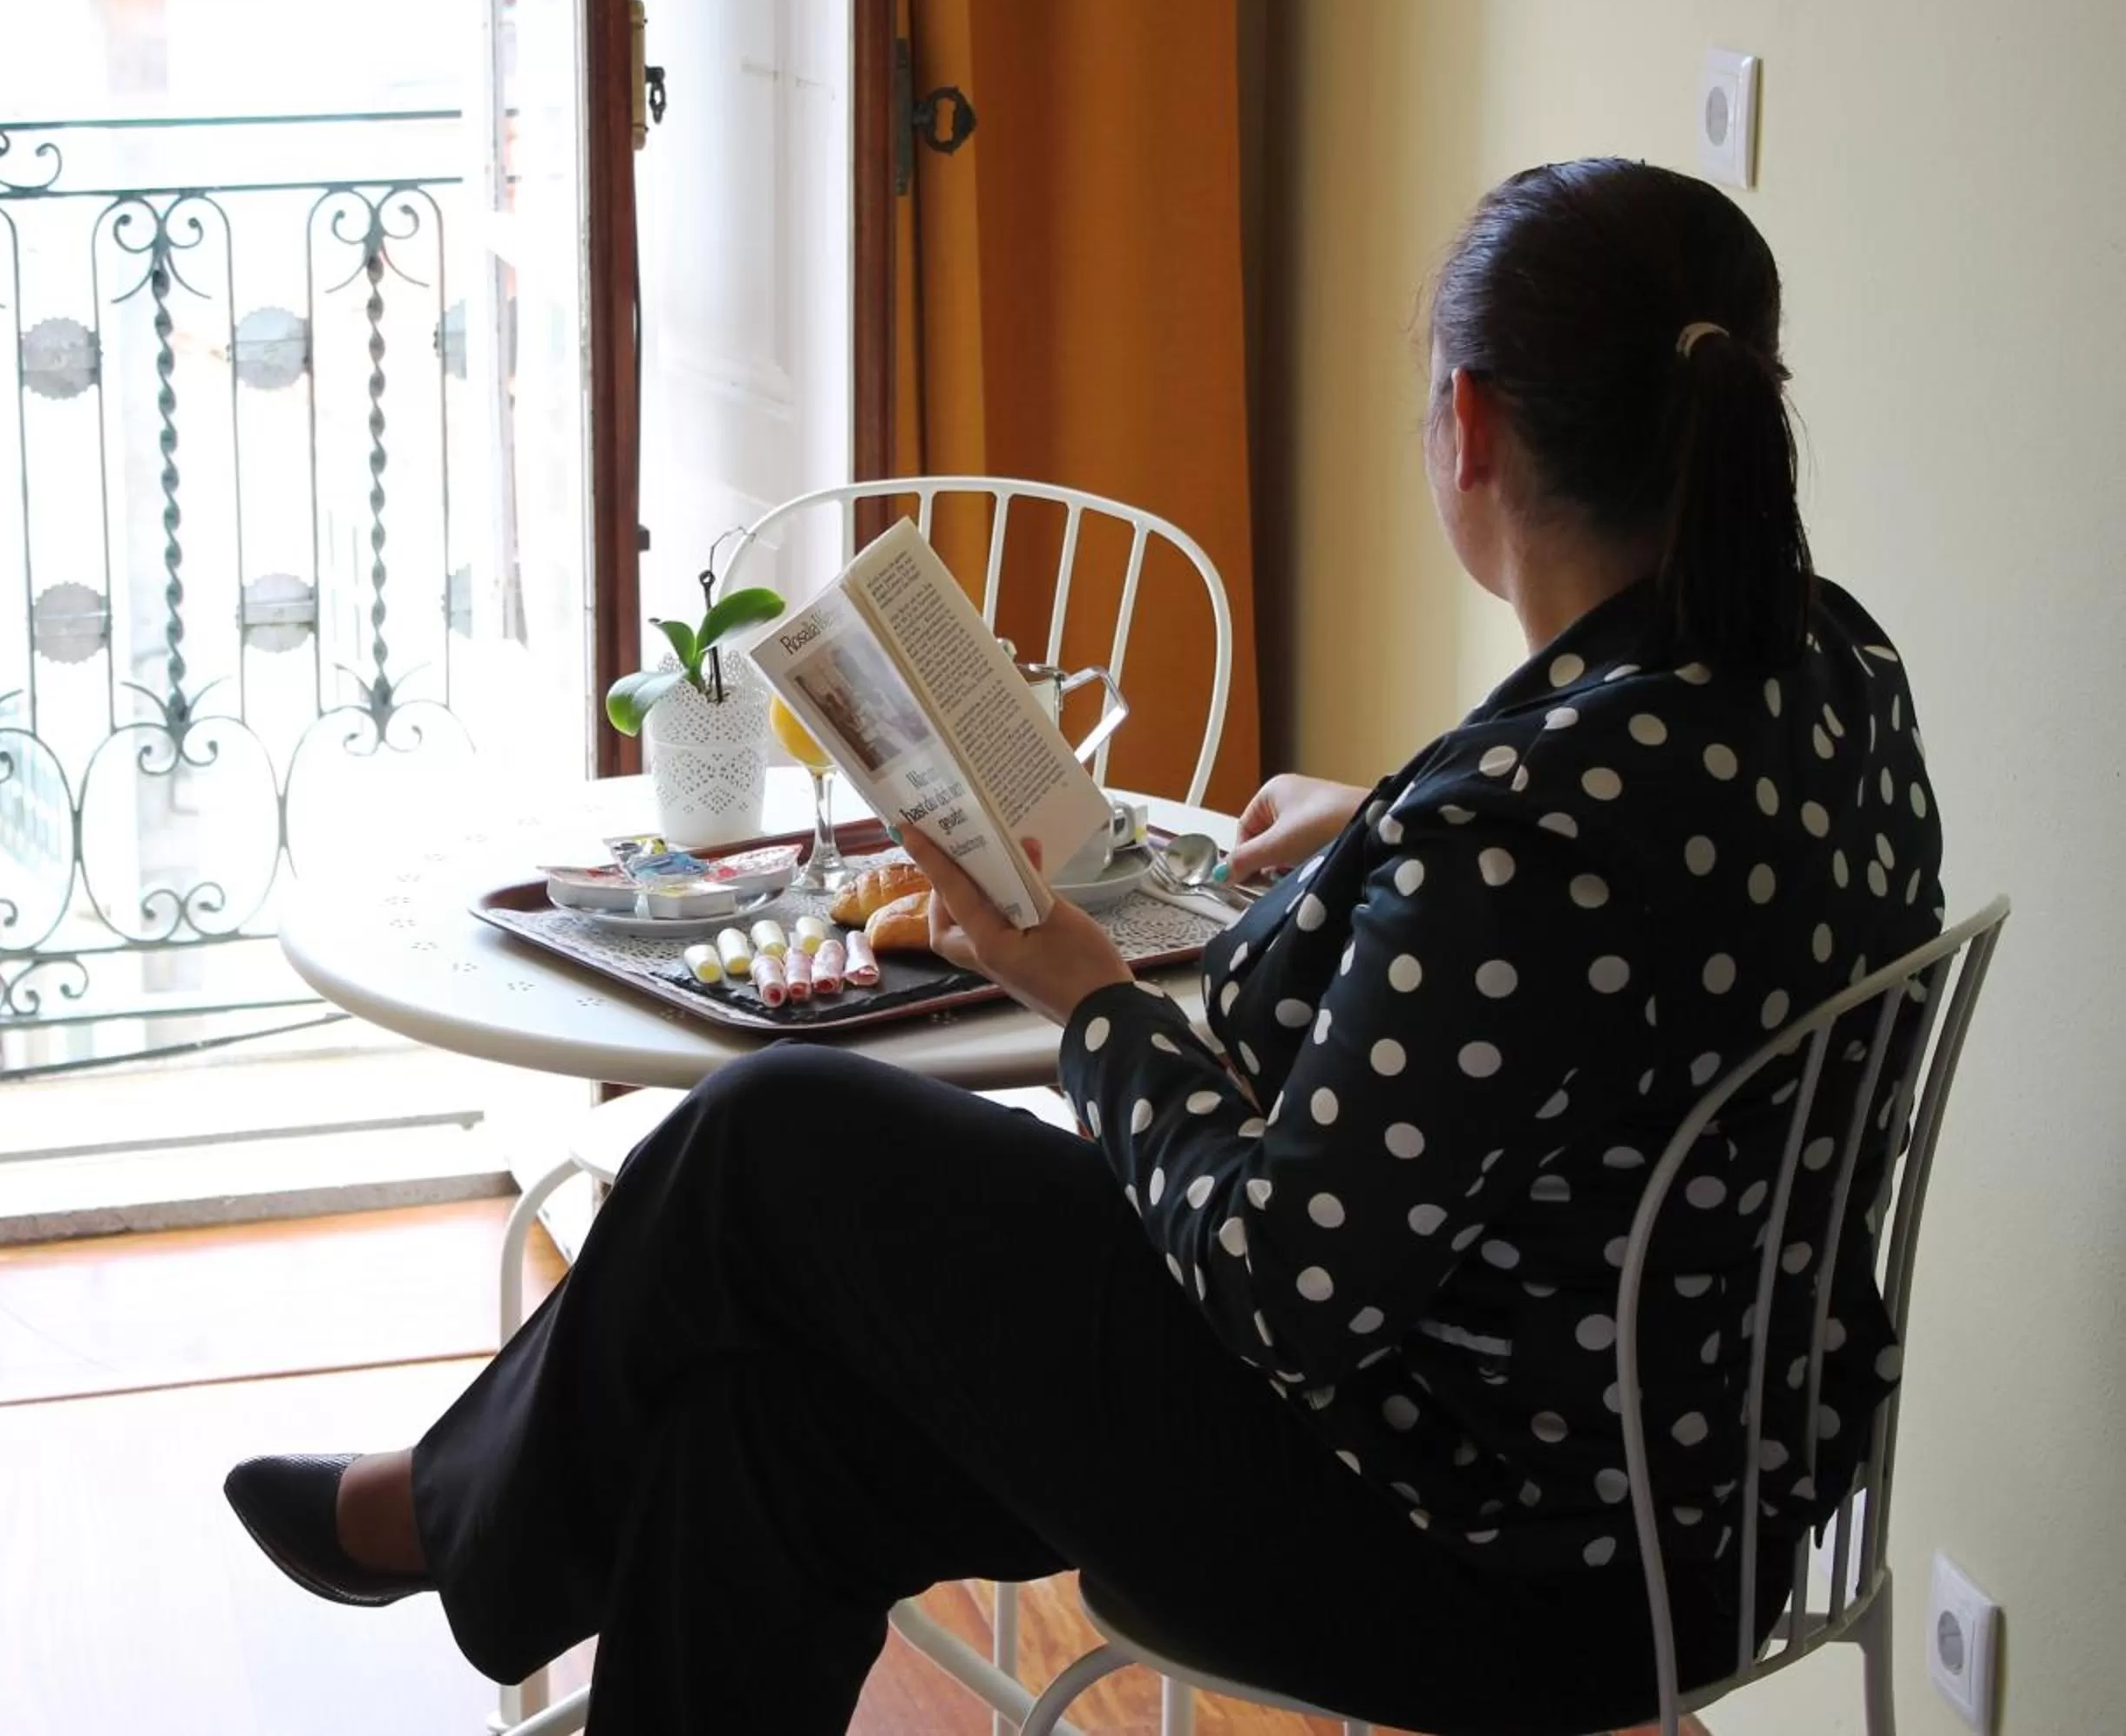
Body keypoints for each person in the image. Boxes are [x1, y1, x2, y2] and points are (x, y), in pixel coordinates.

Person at [222, 159, 1946, 1735]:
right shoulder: (1822, 670)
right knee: (762, 1434)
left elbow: (1288, 1290)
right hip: (1686, 1507)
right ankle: (455, 1511)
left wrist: (1091, 1004)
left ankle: (446, 1517)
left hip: (1468, 1558)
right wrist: (1387, 823)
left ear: (1470, 424)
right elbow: (1647, 910)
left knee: (774, 1128)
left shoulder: (1522, 838)